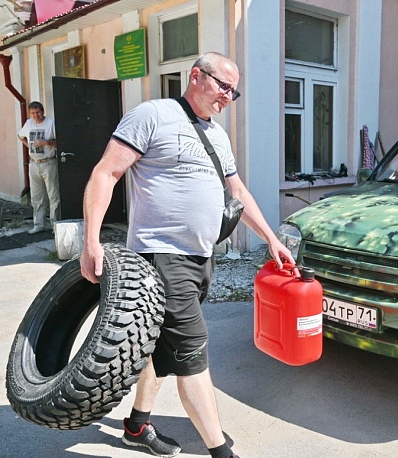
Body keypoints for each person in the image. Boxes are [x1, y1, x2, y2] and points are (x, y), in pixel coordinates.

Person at [79, 52, 294, 458]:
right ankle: (221, 451)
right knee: (193, 351)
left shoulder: (217, 135)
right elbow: (105, 173)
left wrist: (271, 238)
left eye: (235, 91)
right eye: (223, 86)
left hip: (199, 257)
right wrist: (91, 242)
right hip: (160, 256)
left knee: (159, 347)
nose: (228, 96)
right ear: (196, 76)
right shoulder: (152, 115)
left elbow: (238, 192)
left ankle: (137, 426)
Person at [18, 101, 60, 234]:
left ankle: (55, 225)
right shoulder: (29, 123)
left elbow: (61, 142)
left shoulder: (51, 123)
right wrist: (28, 146)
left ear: (43, 112)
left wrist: (46, 142)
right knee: (36, 196)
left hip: (49, 162)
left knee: (53, 196)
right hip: (34, 163)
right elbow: (20, 136)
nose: (36, 115)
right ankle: (38, 224)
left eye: (38, 112)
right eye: (33, 113)